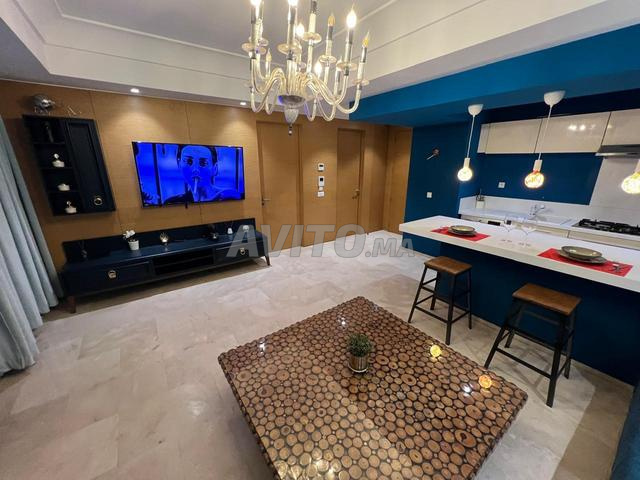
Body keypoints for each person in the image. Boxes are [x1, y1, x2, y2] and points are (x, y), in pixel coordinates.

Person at [164, 145, 240, 205]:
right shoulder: (173, 202)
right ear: (179, 165)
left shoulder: (228, 197)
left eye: (203, 163)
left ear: (215, 168)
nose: (195, 170)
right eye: (188, 161)